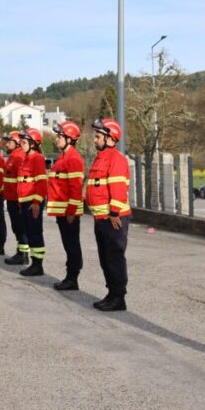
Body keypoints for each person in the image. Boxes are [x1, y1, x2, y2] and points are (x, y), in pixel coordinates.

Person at [86, 118, 131, 312]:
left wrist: (114, 213)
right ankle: (111, 293)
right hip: (101, 218)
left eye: (98, 136)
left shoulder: (116, 159)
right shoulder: (101, 158)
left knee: (114, 258)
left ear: (110, 138)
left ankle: (118, 298)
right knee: (106, 259)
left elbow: (118, 188)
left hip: (113, 219)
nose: (95, 140)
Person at [47, 121, 85, 291]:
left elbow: (75, 188)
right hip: (62, 211)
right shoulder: (63, 158)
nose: (57, 139)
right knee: (68, 244)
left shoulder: (73, 158)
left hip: (68, 212)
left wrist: (71, 211)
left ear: (70, 138)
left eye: (60, 136)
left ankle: (72, 278)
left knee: (72, 245)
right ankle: (70, 277)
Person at [18, 128, 48, 277]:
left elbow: (42, 183)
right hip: (25, 202)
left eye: (24, 142)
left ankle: (38, 265)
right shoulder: (26, 159)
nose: (21, 144)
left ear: (33, 144)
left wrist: (36, 202)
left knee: (35, 233)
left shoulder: (37, 159)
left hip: (32, 202)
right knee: (29, 232)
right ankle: (34, 263)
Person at [2, 131, 28, 265]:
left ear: (17, 143)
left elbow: (21, 181)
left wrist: (19, 200)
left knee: (20, 227)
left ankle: (23, 255)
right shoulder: (13, 156)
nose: (6, 144)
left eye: (9, 142)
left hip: (16, 200)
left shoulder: (18, 157)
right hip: (11, 198)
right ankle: (21, 252)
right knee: (16, 227)